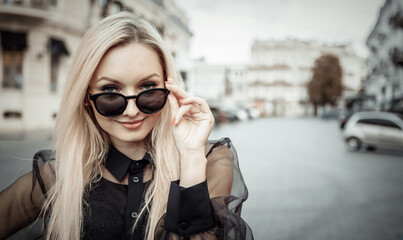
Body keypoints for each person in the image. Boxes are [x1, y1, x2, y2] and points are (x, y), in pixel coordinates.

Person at [0, 11, 253, 240]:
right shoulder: (57, 177)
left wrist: (190, 158)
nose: (132, 111)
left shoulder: (211, 162)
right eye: (110, 90)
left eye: (147, 88)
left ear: (169, 86)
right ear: (86, 98)